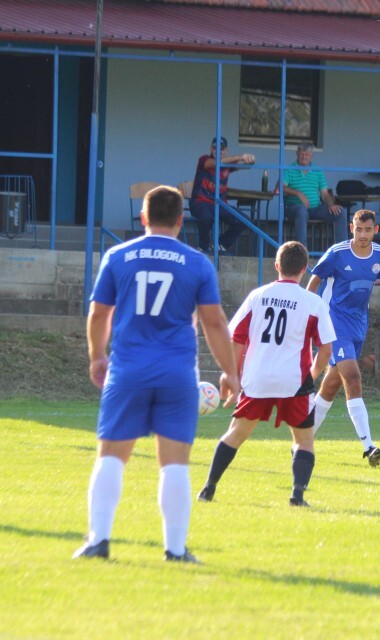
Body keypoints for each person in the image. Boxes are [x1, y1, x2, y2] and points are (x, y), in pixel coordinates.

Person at [75, 185, 241, 563]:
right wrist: (230, 372)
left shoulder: (118, 256)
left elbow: (99, 313)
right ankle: (175, 549)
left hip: (127, 369)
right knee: (174, 462)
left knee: (111, 457)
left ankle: (98, 541)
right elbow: (215, 323)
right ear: (182, 220)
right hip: (177, 374)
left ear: (143, 217)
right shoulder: (197, 263)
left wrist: (97, 356)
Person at [197, 241, 336, 506]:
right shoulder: (313, 302)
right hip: (294, 381)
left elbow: (237, 339)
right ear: (304, 269)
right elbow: (326, 350)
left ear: (276, 265)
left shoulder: (257, 296)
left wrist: (232, 374)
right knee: (304, 440)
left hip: (257, 378)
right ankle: (297, 496)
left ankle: (208, 488)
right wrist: (311, 376)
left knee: (236, 433)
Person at [306, 209, 380, 466]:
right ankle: (369, 446)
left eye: (367, 230)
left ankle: (302, 441)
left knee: (330, 387)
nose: (362, 234)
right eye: (358, 229)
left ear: (375, 230)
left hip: (358, 325)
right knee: (353, 376)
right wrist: (310, 314)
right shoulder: (337, 253)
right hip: (333, 323)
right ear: (352, 228)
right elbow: (314, 282)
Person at [189, 136, 254, 254]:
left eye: (222, 149)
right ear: (211, 148)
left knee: (244, 220)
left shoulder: (228, 164)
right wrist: (240, 156)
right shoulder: (204, 159)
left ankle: (220, 245)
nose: (218, 151)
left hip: (219, 204)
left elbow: (247, 165)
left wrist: (250, 159)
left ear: (226, 150)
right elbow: (216, 163)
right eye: (215, 148)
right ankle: (203, 247)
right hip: (200, 202)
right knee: (206, 217)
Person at [283, 142, 348, 248]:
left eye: (307, 154)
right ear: (297, 153)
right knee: (301, 210)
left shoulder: (317, 171)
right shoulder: (289, 169)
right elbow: (281, 187)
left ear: (311, 156)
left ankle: (342, 249)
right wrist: (298, 193)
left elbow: (324, 193)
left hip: (315, 209)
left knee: (340, 212)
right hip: (294, 208)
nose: (304, 157)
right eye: (301, 154)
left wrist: (331, 204)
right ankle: (302, 251)